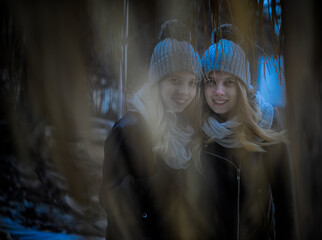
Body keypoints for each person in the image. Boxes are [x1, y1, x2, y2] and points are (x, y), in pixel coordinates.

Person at [99, 19, 202, 240]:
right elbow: (110, 199)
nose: (184, 91)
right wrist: (154, 185)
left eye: (192, 83)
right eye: (175, 80)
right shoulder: (130, 130)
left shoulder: (186, 131)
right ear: (157, 81)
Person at [196, 24, 295, 240]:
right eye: (211, 81)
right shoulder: (197, 130)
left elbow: (286, 207)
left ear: (241, 86)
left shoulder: (266, 124)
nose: (219, 91)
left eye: (229, 82)